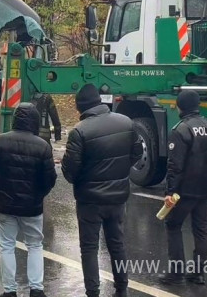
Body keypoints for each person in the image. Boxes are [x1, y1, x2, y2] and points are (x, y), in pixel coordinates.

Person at [61, 84, 141, 297]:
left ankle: (93, 292)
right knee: (117, 245)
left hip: (90, 201)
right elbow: (137, 153)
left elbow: (70, 172)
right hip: (118, 198)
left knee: (89, 248)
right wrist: (120, 171)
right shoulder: (126, 123)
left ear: (81, 108)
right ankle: (122, 289)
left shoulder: (79, 132)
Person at [0, 103, 57, 297]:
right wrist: (38, 195)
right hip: (32, 206)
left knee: (6, 245)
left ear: (15, 119)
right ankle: (36, 289)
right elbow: (49, 179)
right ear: (33, 121)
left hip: (5, 204)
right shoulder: (42, 146)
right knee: (35, 245)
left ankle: (9, 291)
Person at [159, 90, 207, 286]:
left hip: (184, 192)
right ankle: (198, 273)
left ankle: (176, 272)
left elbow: (175, 166)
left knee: (173, 225)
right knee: (201, 229)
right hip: (205, 189)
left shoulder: (181, 130)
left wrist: (170, 192)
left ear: (179, 106)